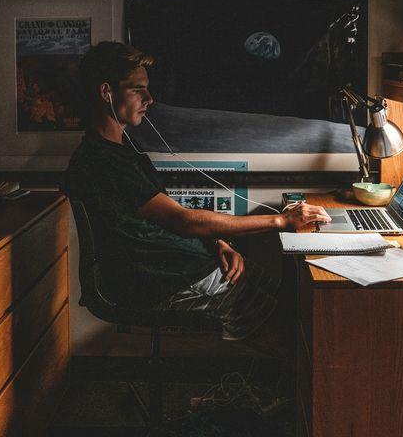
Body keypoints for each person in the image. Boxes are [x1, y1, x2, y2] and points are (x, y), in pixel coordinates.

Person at [63, 41, 330, 342]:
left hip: (171, 267)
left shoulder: (125, 151)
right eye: (137, 89)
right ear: (106, 93)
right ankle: (303, 375)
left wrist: (218, 243)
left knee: (275, 292)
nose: (149, 98)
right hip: (153, 280)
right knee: (289, 324)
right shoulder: (101, 162)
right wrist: (280, 221)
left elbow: (168, 221)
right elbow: (183, 221)